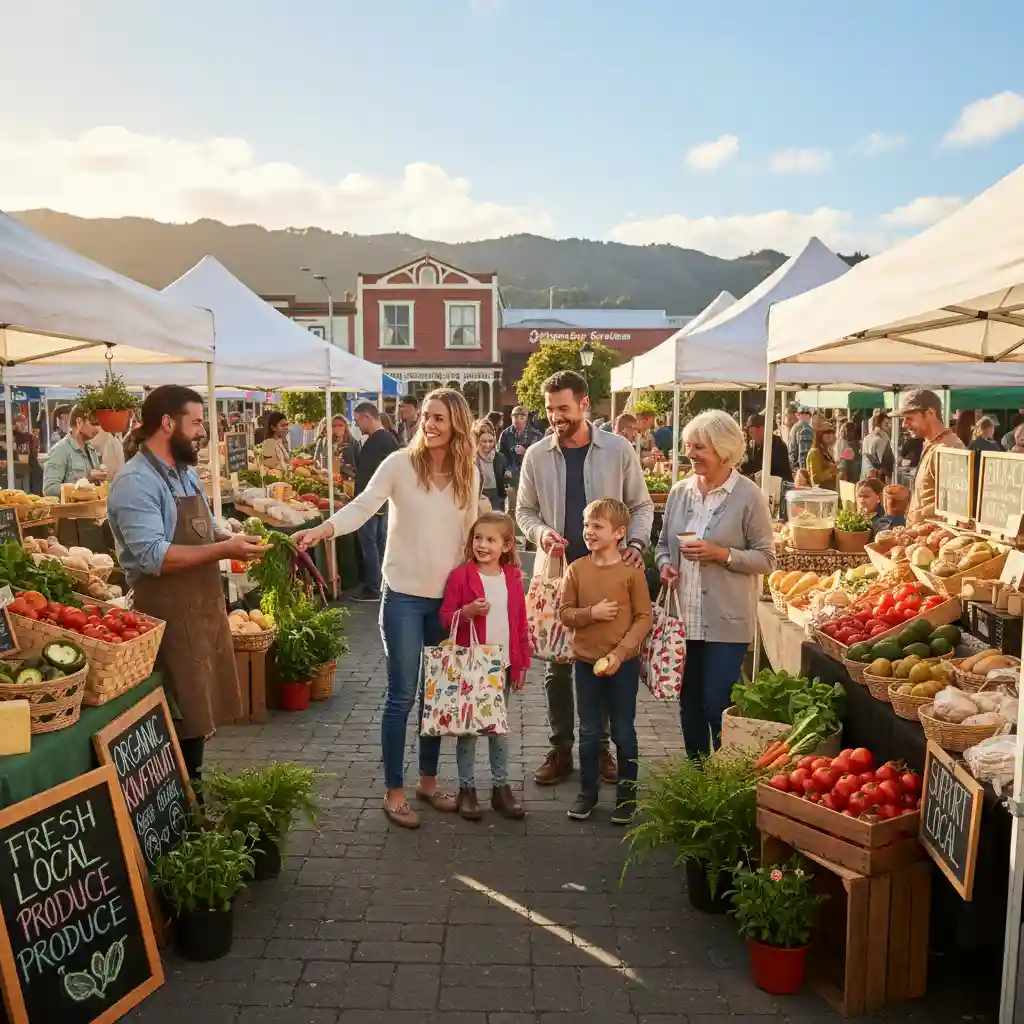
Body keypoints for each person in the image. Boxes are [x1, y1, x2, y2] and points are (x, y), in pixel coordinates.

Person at [294, 389, 480, 829]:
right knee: (402, 695)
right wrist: (325, 528)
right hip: (401, 597)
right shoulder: (398, 464)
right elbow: (363, 506)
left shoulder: (467, 473)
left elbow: (472, 535)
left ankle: (428, 783)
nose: (429, 424)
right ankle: (394, 791)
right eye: (426, 417)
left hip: (447, 602)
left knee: (436, 696)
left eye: (439, 418)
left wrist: (483, 585)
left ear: (457, 424)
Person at [107, 386, 269, 781]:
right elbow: (153, 556)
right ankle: (183, 797)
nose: (201, 431)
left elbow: (208, 530)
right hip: (165, 614)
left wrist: (235, 537)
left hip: (202, 607)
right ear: (167, 423)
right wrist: (222, 549)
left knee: (200, 709)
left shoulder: (185, 474)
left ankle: (192, 789)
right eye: (196, 422)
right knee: (180, 713)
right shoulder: (135, 482)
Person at [516, 370, 654, 787]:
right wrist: (541, 534)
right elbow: (524, 511)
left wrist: (636, 541)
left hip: (609, 579)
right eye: (550, 409)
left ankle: (601, 749)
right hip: (558, 579)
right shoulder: (536, 455)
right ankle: (561, 749)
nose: (555, 417)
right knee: (558, 669)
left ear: (584, 405)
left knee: (606, 661)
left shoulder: (618, 449)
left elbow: (641, 506)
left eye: (563, 408)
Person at [656, 410, 775, 758]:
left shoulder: (749, 496)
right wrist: (666, 566)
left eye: (699, 447)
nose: (690, 454)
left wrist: (721, 554)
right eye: (688, 446)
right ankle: (698, 776)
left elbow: (767, 559)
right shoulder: (680, 493)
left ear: (724, 452)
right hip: (684, 620)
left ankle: (725, 777)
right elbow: (663, 545)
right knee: (689, 706)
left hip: (726, 623)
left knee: (716, 705)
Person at [558, 499, 652, 824]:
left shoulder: (631, 572)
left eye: (597, 526)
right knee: (588, 730)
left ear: (619, 533)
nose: (589, 532)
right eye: (587, 525)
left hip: (622, 666)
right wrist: (590, 614)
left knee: (623, 731)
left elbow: (644, 618)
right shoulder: (576, 569)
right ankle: (587, 793)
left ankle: (627, 797)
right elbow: (565, 613)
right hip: (585, 664)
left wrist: (620, 653)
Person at [440, 512, 530, 821]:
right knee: (468, 731)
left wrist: (520, 665)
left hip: (501, 666)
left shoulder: (513, 578)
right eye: (478, 538)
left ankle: (500, 788)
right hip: (470, 664)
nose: (482, 544)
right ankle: (467, 788)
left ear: (506, 545)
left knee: (498, 731)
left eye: (491, 540)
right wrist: (465, 612)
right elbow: (445, 615)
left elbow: (520, 624)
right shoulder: (461, 576)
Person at [350, 402, 400, 602]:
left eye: (357, 420)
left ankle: (372, 587)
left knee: (369, 544)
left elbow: (369, 476)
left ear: (367, 417)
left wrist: (359, 499)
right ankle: (381, 584)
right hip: (382, 502)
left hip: (371, 503)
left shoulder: (378, 441)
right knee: (379, 543)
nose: (357, 425)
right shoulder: (388, 439)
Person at [896, 389, 965, 522]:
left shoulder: (949, 449)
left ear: (930, 413)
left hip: (934, 537)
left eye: (909, 418)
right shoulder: (931, 442)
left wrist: (916, 515)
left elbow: (954, 502)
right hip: (920, 535)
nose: (904, 424)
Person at [42, 405, 107, 497]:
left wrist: (100, 480)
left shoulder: (91, 451)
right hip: (70, 511)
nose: (98, 429)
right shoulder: (60, 450)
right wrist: (86, 480)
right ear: (79, 422)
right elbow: (49, 489)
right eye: (94, 424)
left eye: (99, 424)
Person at [497, 406, 543, 521]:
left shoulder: (535, 435)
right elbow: (501, 455)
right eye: (515, 417)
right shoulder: (506, 434)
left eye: (521, 417)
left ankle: (528, 537)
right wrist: (505, 469)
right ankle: (511, 535)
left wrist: (525, 452)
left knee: (530, 509)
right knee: (512, 509)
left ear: (526, 418)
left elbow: (540, 457)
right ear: (511, 418)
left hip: (530, 477)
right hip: (511, 477)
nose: (518, 420)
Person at [740, 413, 792, 483]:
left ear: (762, 428)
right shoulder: (756, 445)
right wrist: (739, 466)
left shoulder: (777, 444)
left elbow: (769, 468)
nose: (750, 433)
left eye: (752, 429)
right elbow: (753, 464)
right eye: (749, 430)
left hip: (781, 486)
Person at [474, 420, 508, 511]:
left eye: (490, 441)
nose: (487, 445)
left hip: (496, 497)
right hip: (478, 497)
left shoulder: (500, 458)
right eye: (484, 441)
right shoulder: (472, 459)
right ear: (477, 441)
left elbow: (505, 476)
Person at [315, 415, 358, 479]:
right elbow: (316, 461)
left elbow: (357, 463)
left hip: (347, 481)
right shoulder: (323, 441)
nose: (337, 428)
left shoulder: (352, 442)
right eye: (334, 426)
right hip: (327, 479)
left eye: (340, 425)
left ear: (345, 427)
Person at [969, 415, 1002, 499]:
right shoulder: (992, 445)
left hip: (973, 480)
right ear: (989, 429)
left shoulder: (973, 443)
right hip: (988, 481)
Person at [861, 411, 895, 481]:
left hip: (866, 473)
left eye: (889, 423)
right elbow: (882, 461)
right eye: (886, 423)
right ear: (879, 423)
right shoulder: (881, 439)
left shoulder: (867, 437)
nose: (889, 425)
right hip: (878, 476)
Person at [806, 424, 838, 490]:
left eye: (832, 432)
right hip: (820, 493)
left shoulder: (825, 451)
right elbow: (816, 478)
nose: (830, 435)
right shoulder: (815, 453)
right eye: (827, 432)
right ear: (819, 435)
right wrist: (830, 471)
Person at [787, 407, 814, 472]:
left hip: (794, 466)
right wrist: (805, 471)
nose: (805, 415)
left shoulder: (794, 428)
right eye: (802, 413)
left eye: (807, 413)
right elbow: (804, 453)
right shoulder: (807, 429)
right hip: (802, 467)